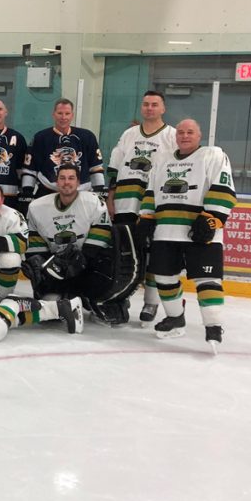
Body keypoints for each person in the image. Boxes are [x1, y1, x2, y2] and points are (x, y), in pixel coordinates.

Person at [139, 119, 236, 351]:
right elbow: (151, 191)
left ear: (199, 135)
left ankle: (213, 325)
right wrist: (146, 217)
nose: (184, 135)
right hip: (166, 231)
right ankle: (175, 318)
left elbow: (224, 187)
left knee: (207, 280)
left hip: (200, 232)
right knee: (163, 278)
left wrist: (211, 218)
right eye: (181, 132)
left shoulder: (213, 155)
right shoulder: (162, 159)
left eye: (190, 132)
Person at [106, 90, 177, 326]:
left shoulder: (172, 135)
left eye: (154, 104)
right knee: (125, 252)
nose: (149, 108)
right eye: (146, 104)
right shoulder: (129, 134)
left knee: (154, 253)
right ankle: (121, 297)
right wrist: (111, 197)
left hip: (154, 203)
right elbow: (115, 167)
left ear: (163, 108)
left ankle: (151, 301)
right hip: (126, 201)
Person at [23, 164, 111, 301]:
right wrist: (44, 266)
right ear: (56, 182)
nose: (66, 182)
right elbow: (35, 242)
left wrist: (83, 259)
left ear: (78, 182)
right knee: (51, 302)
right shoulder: (36, 207)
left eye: (71, 178)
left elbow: (102, 233)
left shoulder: (92, 201)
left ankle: (99, 299)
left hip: (88, 264)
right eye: (62, 178)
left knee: (99, 292)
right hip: (57, 267)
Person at [21, 98, 105, 205]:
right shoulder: (41, 138)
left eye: (67, 113)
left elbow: (96, 167)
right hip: (48, 193)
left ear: (72, 115)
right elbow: (30, 169)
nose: (63, 117)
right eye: (60, 113)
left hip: (82, 194)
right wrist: (27, 193)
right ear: (53, 114)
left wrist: (99, 191)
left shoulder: (87, 137)